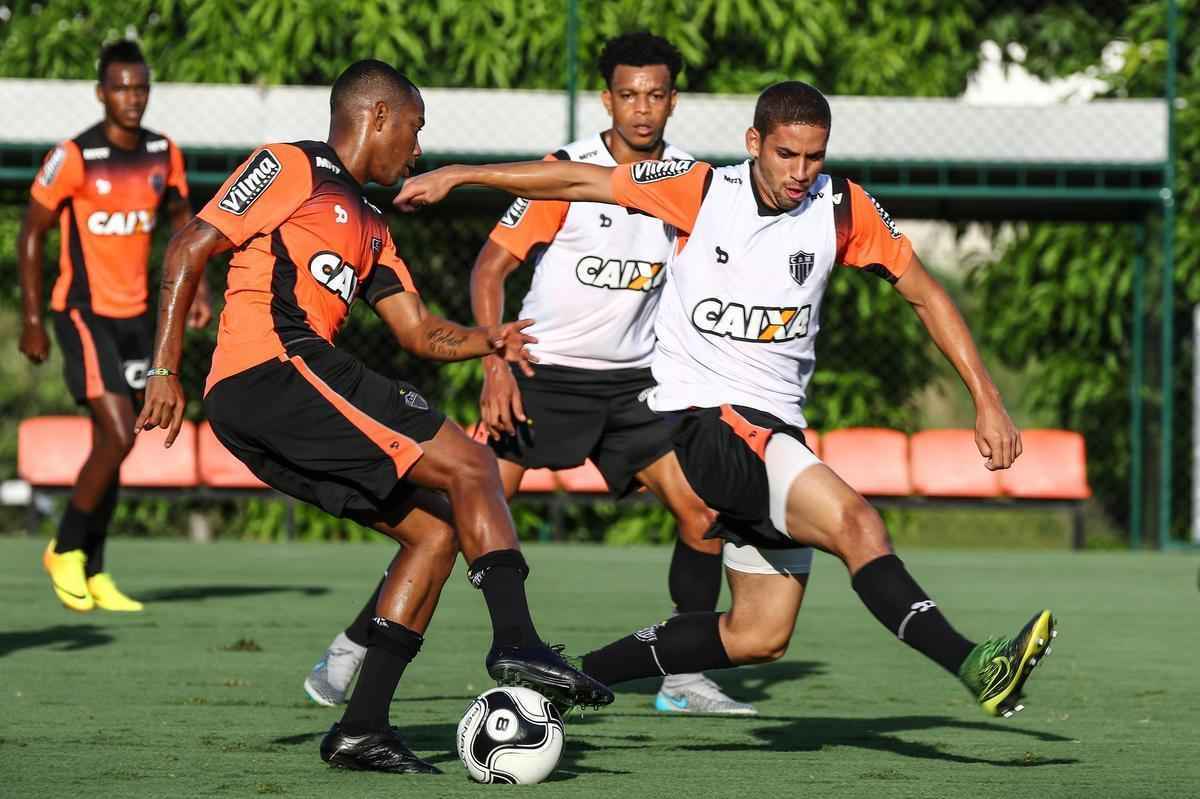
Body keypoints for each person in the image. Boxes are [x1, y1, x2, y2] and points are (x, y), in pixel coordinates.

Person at [394, 80, 1059, 720]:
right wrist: (460, 175)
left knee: (758, 633)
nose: (800, 170)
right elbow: (575, 180)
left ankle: (577, 676)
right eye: (785, 153)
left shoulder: (842, 208)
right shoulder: (704, 190)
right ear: (754, 142)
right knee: (857, 521)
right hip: (709, 420)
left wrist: (987, 397)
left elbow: (925, 292)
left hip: (774, 428)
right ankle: (975, 661)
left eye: (814, 155)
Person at [135, 59, 612, 775]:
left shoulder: (374, 226)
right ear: (379, 115)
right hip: (272, 368)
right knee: (472, 461)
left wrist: (490, 339)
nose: (416, 151)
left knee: (435, 530)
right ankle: (517, 638)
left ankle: (361, 727)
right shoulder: (291, 164)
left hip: (281, 394)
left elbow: (419, 332)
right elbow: (189, 245)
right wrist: (166, 368)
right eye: (415, 130)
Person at [306, 32, 753, 717]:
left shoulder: (690, 183)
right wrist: (495, 364)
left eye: (655, 95)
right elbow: (491, 267)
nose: (641, 109)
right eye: (628, 94)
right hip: (540, 375)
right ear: (607, 98)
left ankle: (683, 677)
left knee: (704, 515)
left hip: (635, 386)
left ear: (673, 101)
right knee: (460, 518)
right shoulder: (566, 171)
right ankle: (354, 643)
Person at [19, 40, 211, 613]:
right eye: (122, 88)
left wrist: (199, 291)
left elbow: (184, 225)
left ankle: (95, 567)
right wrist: (31, 319)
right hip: (81, 311)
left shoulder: (163, 153)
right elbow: (31, 234)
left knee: (118, 442)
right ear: (102, 93)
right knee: (120, 430)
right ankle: (66, 549)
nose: (133, 98)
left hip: (136, 320)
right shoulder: (74, 156)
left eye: (141, 87)